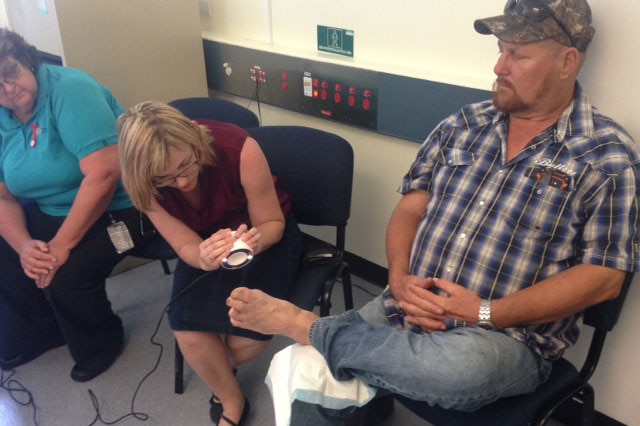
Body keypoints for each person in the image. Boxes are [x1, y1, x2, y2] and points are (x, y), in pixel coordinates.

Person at [227, 0, 640, 424]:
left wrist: (484, 312)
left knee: (459, 372)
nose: (500, 66)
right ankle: (359, 354)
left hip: (504, 337)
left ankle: (316, 329)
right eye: (500, 49)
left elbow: (604, 279)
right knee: (317, 390)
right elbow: (409, 210)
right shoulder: (463, 124)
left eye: (518, 54)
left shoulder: (605, 156)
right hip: (408, 303)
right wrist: (399, 278)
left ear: (567, 61)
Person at [117, 101, 302, 426]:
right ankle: (232, 401)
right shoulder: (142, 184)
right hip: (206, 243)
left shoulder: (239, 148)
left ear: (194, 139)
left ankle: (219, 371)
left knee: (247, 336)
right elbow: (185, 244)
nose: (183, 182)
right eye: (166, 178)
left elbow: (273, 224)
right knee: (187, 328)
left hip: (263, 238)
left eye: (187, 166)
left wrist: (252, 242)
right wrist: (201, 256)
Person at [0, 28, 153, 382]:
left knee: (67, 273)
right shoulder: (4, 114)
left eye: (10, 74)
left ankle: (102, 344)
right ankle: (48, 329)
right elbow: (3, 196)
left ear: (27, 61)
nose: (7, 90)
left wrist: (59, 247)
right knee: (12, 254)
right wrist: (25, 247)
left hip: (126, 208)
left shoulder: (70, 90)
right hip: (52, 208)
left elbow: (104, 176)